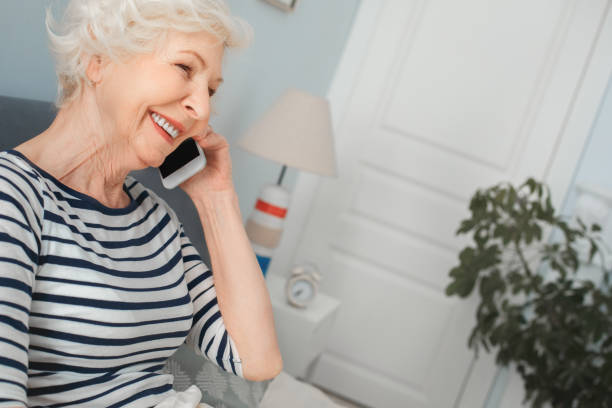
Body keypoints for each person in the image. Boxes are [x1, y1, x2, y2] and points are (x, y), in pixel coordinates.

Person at [0, 0, 283, 406]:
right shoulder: (13, 197)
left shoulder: (155, 218)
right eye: (185, 68)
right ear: (98, 58)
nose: (201, 109)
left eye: (211, 90)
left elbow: (256, 360)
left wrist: (216, 199)